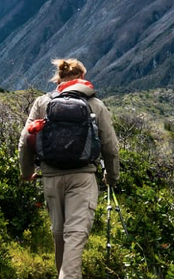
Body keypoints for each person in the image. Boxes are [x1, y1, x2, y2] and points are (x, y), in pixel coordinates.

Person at [18, 59, 120, 279]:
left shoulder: (42, 103)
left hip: (51, 177)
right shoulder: (96, 105)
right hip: (82, 178)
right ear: (82, 78)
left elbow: (25, 141)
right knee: (74, 235)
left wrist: (27, 173)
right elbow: (110, 146)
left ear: (58, 79)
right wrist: (111, 177)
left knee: (59, 235)